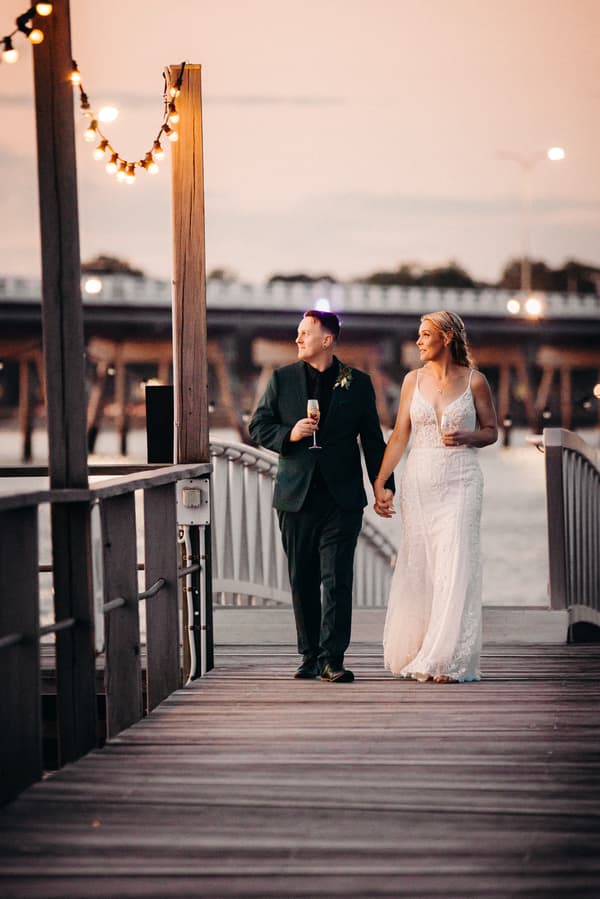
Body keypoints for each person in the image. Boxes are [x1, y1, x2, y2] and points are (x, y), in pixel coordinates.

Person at [249, 310, 394, 683]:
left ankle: (333, 659)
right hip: (295, 497)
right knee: (303, 579)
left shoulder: (358, 383)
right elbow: (258, 427)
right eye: (298, 333)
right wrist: (290, 434)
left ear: (326, 340)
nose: (297, 339)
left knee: (337, 579)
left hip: (342, 498)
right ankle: (309, 655)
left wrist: (384, 485)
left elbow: (373, 441)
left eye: (304, 333)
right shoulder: (281, 380)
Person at [373, 310, 498, 683]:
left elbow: (491, 430)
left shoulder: (476, 381)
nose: (418, 341)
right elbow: (399, 436)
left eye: (425, 334)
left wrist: (469, 437)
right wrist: (382, 483)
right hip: (420, 482)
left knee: (455, 563)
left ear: (446, 338)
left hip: (461, 479)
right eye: (418, 334)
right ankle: (419, 646)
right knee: (422, 565)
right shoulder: (412, 380)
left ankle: (445, 658)